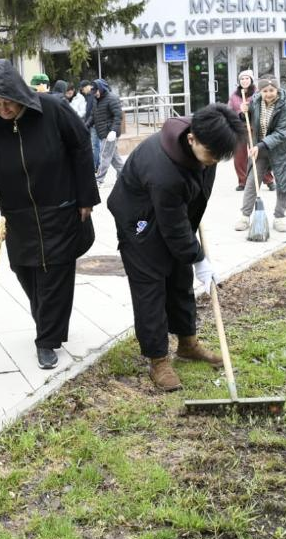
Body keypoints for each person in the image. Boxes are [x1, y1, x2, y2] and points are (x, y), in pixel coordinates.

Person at [0, 59, 100, 370]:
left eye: (8, 103)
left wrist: (86, 197)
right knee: (27, 273)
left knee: (55, 275)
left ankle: (46, 341)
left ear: (20, 94)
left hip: (60, 207)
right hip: (18, 216)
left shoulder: (52, 110)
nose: (3, 110)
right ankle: (48, 322)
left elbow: (81, 145)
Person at [106, 105, 241, 391]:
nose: (211, 163)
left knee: (180, 279)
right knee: (151, 289)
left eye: (218, 158)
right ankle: (158, 360)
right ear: (191, 139)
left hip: (172, 215)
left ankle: (188, 344)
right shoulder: (162, 169)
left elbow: (189, 205)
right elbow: (172, 225)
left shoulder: (210, 143)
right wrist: (198, 256)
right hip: (139, 222)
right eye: (210, 156)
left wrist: (190, 252)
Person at [235, 75, 286, 233]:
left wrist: (260, 144)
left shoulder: (284, 105)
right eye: (265, 90)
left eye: (271, 90)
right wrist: (244, 112)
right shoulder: (256, 101)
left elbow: (281, 132)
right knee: (252, 182)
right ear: (260, 91)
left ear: (277, 89)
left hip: (283, 150)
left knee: (284, 184)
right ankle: (245, 216)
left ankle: (279, 217)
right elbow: (248, 118)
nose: (268, 94)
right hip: (261, 149)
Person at [228, 70, 275, 192]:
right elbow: (229, 111)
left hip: (255, 128)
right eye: (242, 78)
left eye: (247, 78)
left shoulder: (258, 94)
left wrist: (249, 109)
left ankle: (269, 180)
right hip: (240, 129)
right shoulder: (234, 96)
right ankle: (242, 182)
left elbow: (265, 107)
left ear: (251, 80)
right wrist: (239, 115)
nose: (244, 80)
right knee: (239, 156)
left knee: (259, 153)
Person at [93, 78, 124, 185]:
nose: (94, 93)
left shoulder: (112, 98)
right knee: (115, 159)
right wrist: (85, 126)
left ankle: (99, 180)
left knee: (104, 156)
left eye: (96, 91)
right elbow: (94, 117)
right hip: (104, 133)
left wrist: (113, 131)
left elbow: (118, 115)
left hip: (109, 133)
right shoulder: (98, 100)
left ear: (101, 89)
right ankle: (125, 175)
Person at [75, 80, 99, 170]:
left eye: (82, 89)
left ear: (86, 87)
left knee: (95, 146)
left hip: (94, 123)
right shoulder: (89, 95)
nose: (82, 91)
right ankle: (97, 164)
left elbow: (93, 111)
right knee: (96, 145)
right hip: (91, 123)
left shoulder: (93, 94)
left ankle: (95, 166)